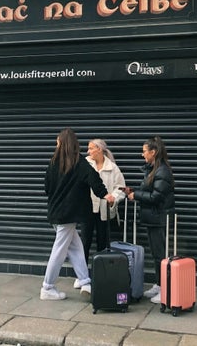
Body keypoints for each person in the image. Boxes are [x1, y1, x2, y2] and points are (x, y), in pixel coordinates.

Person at [41, 128, 116, 301]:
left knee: (75, 248)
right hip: (69, 215)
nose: (56, 145)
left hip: (56, 212)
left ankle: (85, 281)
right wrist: (105, 194)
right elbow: (94, 179)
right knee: (59, 250)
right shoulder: (79, 162)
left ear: (62, 143)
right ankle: (47, 286)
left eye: (57, 142)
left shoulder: (53, 163)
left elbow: (46, 187)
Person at [124, 135, 175, 304]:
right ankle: (159, 285)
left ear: (153, 152)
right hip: (152, 218)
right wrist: (132, 190)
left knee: (161, 254)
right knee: (156, 254)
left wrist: (135, 195)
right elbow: (150, 190)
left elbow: (156, 196)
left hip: (159, 218)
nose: (142, 154)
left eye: (144, 151)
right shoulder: (153, 169)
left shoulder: (162, 171)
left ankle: (166, 288)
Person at [75, 138, 125, 286]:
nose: (88, 151)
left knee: (103, 243)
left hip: (104, 210)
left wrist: (113, 198)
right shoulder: (84, 164)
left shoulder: (112, 167)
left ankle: (100, 274)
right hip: (87, 208)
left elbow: (120, 188)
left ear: (100, 149)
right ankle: (81, 276)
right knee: (84, 242)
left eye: (91, 148)